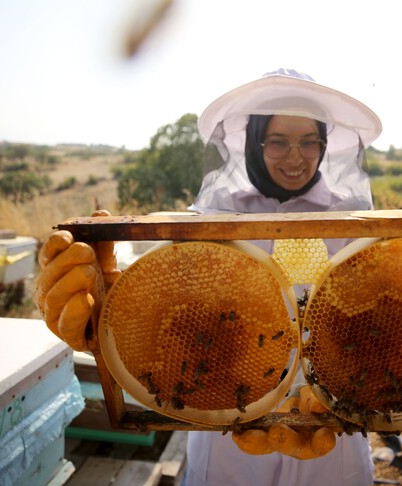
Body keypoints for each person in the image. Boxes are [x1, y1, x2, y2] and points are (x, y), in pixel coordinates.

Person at [35, 68, 383, 485]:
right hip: (226, 422)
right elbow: (165, 315)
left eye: (310, 141)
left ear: (326, 145)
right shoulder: (209, 225)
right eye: (278, 141)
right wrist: (117, 323)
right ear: (253, 143)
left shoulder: (355, 225)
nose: (296, 156)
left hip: (332, 427)